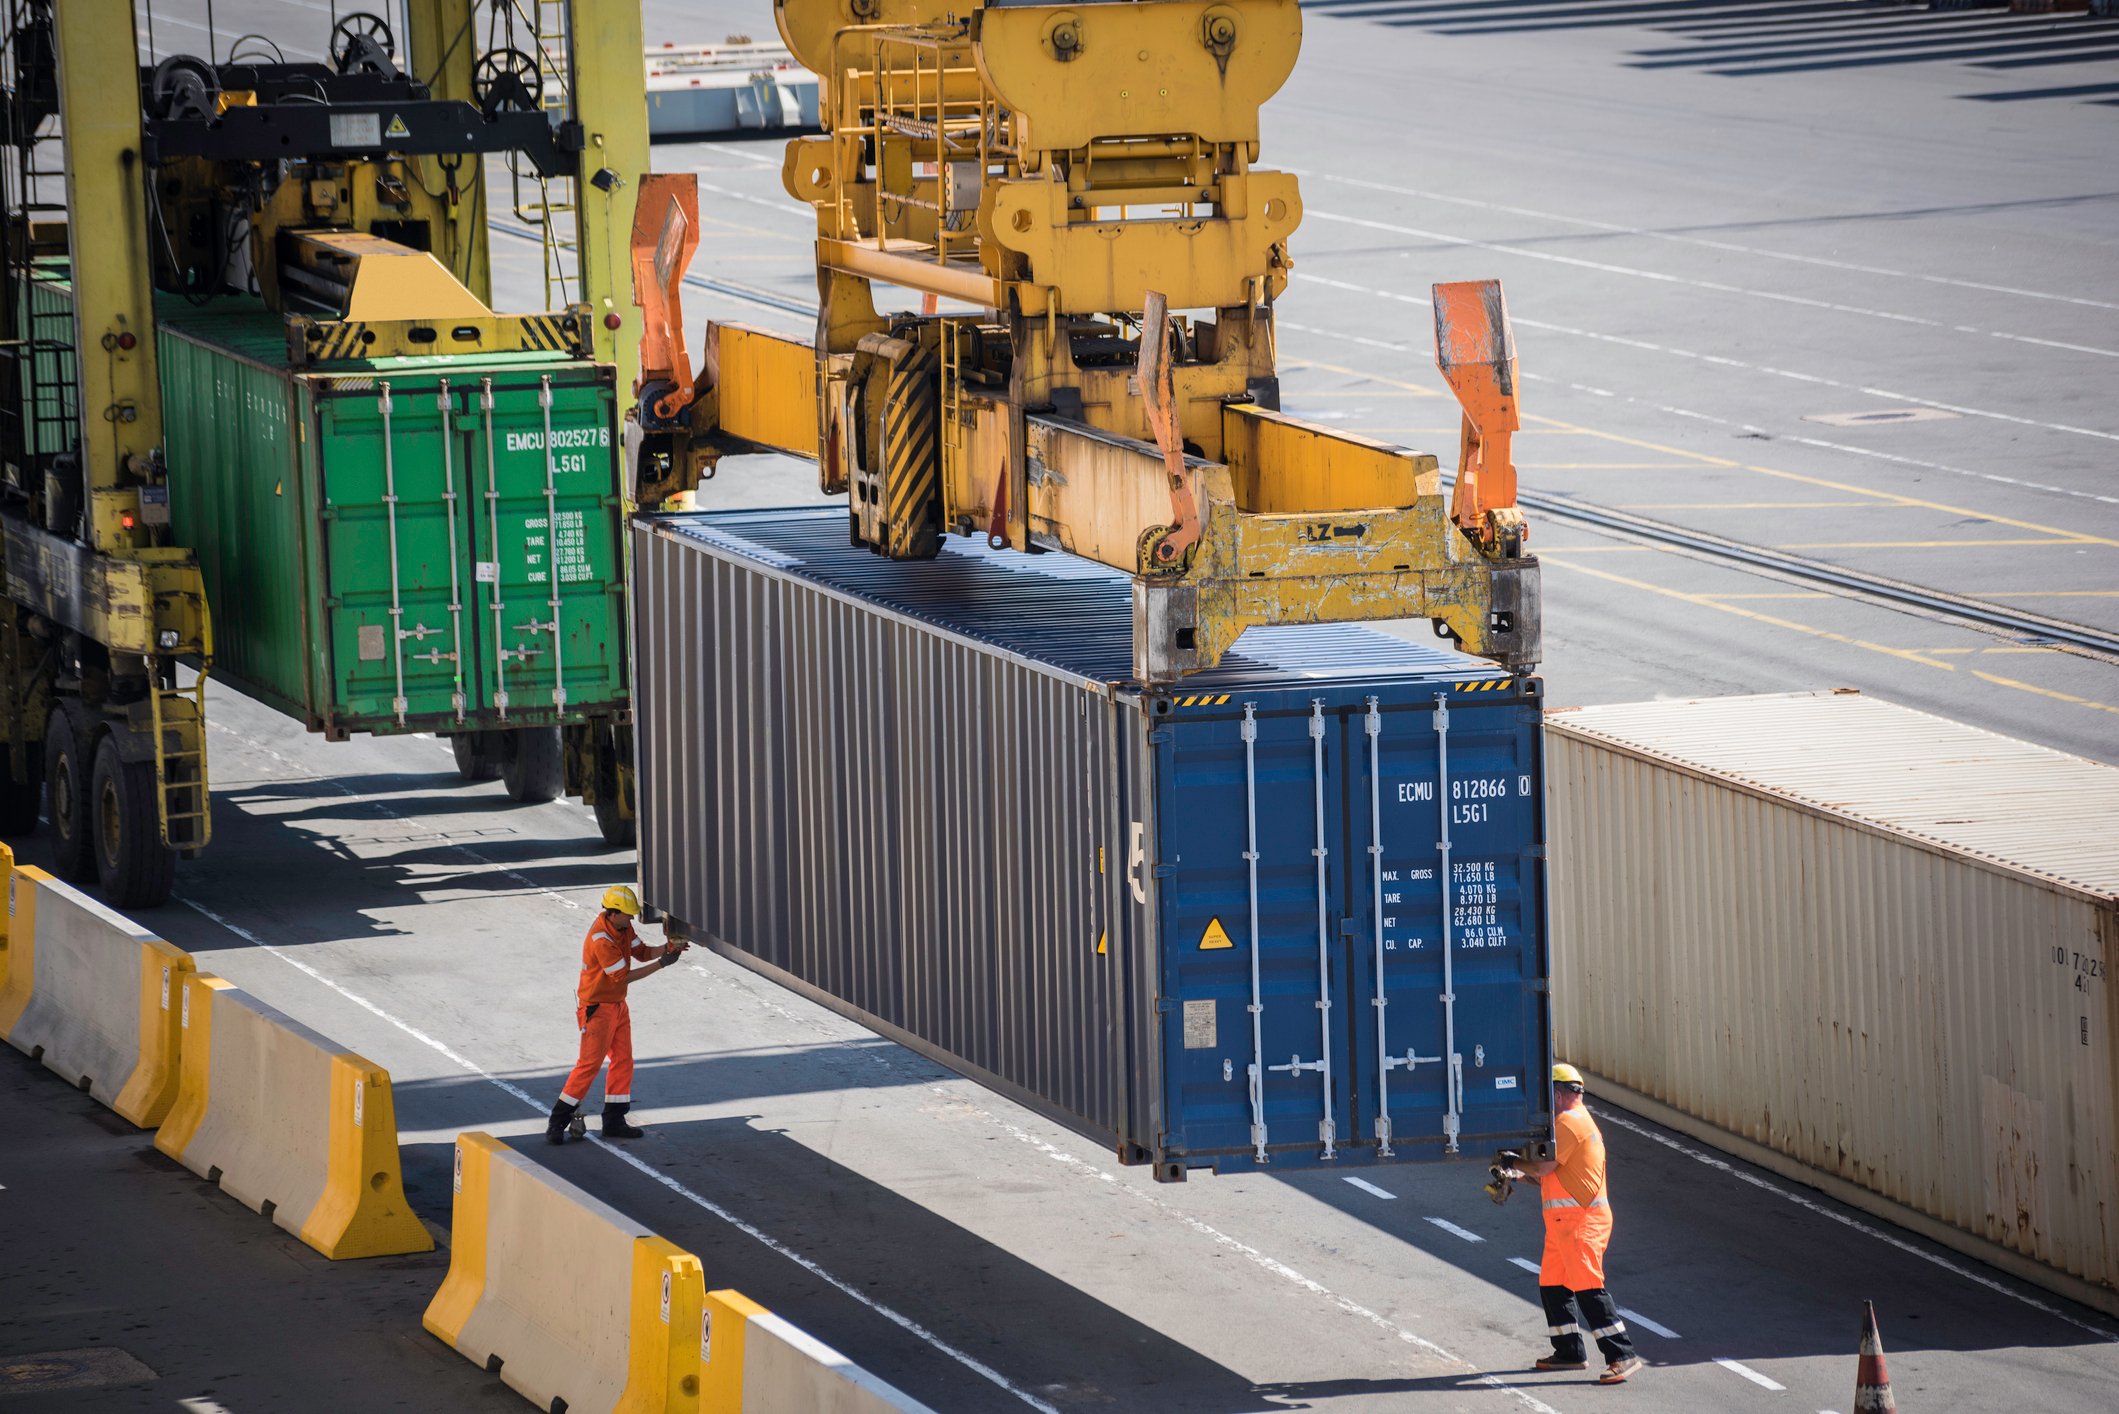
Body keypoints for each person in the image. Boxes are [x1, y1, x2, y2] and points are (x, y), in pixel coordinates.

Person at [1516, 1063, 1644, 1385]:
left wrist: (1510, 1160)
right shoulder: (1575, 1122)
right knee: (1552, 1285)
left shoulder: (1568, 1124)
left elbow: (1543, 1168)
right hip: (1563, 1224)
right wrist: (1517, 1173)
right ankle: (1569, 1352)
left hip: (1580, 1224)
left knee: (1589, 1289)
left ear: (1557, 1095)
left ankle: (1622, 1355)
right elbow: (1550, 1175)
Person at [545, 885, 687, 1143]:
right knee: (588, 1066)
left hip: (617, 1006)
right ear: (613, 913)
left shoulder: (622, 928)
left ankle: (614, 1120)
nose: (632, 919)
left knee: (623, 1060)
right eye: (628, 915)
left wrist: (666, 948)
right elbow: (622, 977)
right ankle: (557, 1122)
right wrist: (663, 963)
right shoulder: (602, 940)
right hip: (597, 1009)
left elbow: (642, 952)